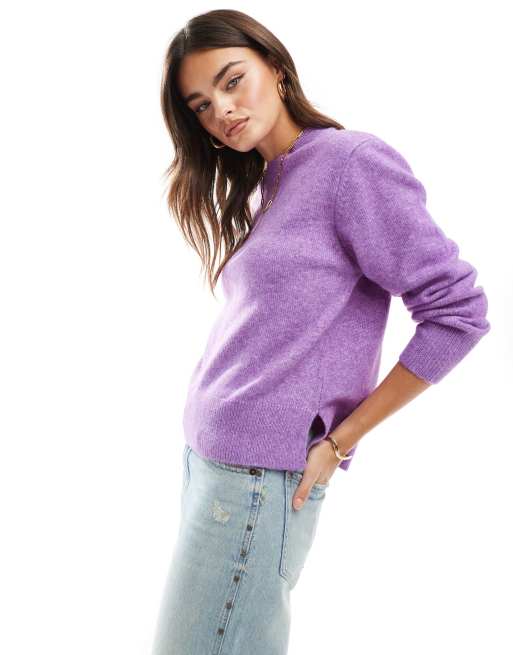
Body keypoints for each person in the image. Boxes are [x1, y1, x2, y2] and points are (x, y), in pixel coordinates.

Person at [151, 9, 491, 655]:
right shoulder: (270, 182)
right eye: (201, 106)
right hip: (210, 461)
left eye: (232, 80)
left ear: (277, 69)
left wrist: (340, 439)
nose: (222, 109)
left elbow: (457, 313)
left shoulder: (349, 163)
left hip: (258, 476)